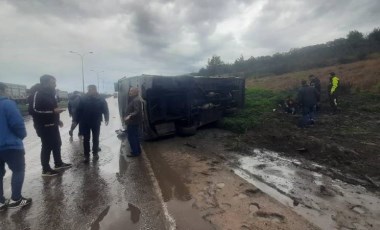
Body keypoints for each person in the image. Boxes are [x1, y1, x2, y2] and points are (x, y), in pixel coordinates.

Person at [30, 75, 72, 176]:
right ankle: (46, 169)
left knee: (57, 143)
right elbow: (33, 110)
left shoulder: (51, 94)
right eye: (53, 82)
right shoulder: (37, 93)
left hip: (53, 124)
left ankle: (58, 163)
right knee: (47, 146)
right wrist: (52, 112)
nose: (55, 84)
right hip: (43, 125)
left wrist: (58, 120)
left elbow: (54, 109)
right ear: (46, 83)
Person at [0, 83, 32, 211]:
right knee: (18, 170)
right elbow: (17, 123)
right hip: (10, 145)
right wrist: (21, 135)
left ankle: (0, 202)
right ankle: (16, 199)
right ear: (3, 90)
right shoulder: (7, 104)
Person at [76, 85, 109, 163]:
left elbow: (105, 109)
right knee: (86, 139)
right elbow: (78, 110)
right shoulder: (83, 98)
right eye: (89, 89)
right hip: (85, 122)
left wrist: (106, 118)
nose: (90, 91)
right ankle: (86, 156)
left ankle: (95, 153)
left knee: (95, 138)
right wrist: (76, 120)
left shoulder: (100, 98)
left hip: (96, 122)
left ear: (95, 90)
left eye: (92, 89)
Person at [124, 87, 143, 157]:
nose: (129, 92)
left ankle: (135, 152)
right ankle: (138, 151)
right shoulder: (135, 99)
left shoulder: (136, 100)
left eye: (131, 91)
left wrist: (129, 116)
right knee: (135, 136)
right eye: (130, 91)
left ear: (135, 92)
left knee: (131, 137)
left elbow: (137, 111)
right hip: (134, 121)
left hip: (132, 122)